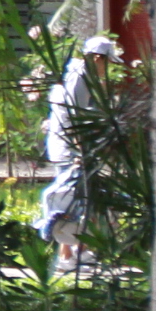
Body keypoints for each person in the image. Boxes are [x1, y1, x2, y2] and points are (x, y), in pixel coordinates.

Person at [35, 34, 121, 265]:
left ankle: (79, 249)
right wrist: (81, 153)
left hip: (73, 147)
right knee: (70, 198)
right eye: (107, 62)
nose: (108, 68)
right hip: (69, 149)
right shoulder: (79, 79)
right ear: (96, 59)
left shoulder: (84, 78)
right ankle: (66, 254)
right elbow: (75, 119)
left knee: (82, 198)